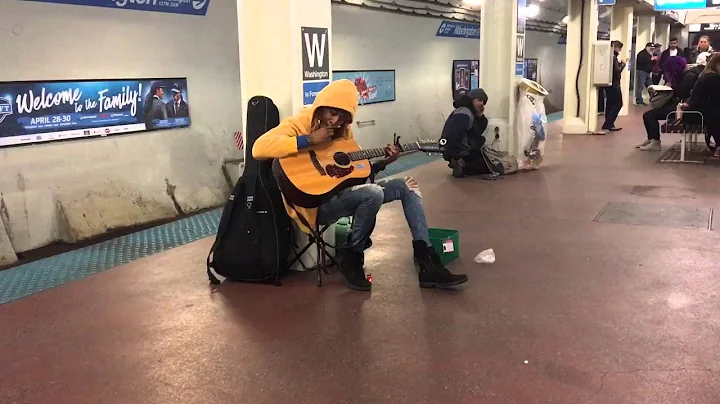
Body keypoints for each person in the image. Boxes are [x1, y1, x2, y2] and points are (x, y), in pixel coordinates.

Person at [252, 79, 469, 291]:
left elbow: (355, 174)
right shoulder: (299, 123)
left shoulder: (343, 133)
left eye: (342, 117)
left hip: (344, 194)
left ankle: (427, 260)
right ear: (321, 108)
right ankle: (353, 256)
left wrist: (385, 162)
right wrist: (307, 140)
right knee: (372, 193)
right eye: (332, 113)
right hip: (313, 205)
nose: (335, 121)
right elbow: (258, 148)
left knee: (407, 186)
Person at [638, 56, 689, 151]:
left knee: (650, 116)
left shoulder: (684, 79)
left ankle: (655, 141)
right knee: (647, 115)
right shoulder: (679, 77)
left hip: (680, 108)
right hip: (675, 105)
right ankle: (651, 139)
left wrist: (671, 87)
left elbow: (682, 93)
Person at [440, 89, 490, 178]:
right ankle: (461, 165)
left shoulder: (470, 113)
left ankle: (463, 164)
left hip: (462, 149)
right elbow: (453, 135)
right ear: (472, 99)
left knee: (481, 142)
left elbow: (476, 132)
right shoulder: (463, 113)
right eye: (479, 100)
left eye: (483, 102)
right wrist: (456, 157)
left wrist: (480, 117)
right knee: (489, 166)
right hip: (456, 152)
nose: (482, 104)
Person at [680, 53, 720, 157]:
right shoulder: (713, 78)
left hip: (695, 112)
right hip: (698, 114)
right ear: (717, 65)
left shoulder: (706, 75)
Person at [602, 41, 626, 132]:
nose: (619, 50)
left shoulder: (607, 56)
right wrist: (623, 64)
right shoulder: (613, 57)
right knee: (618, 104)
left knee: (610, 104)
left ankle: (609, 123)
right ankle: (608, 123)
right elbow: (617, 71)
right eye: (619, 48)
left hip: (608, 83)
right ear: (615, 47)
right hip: (614, 84)